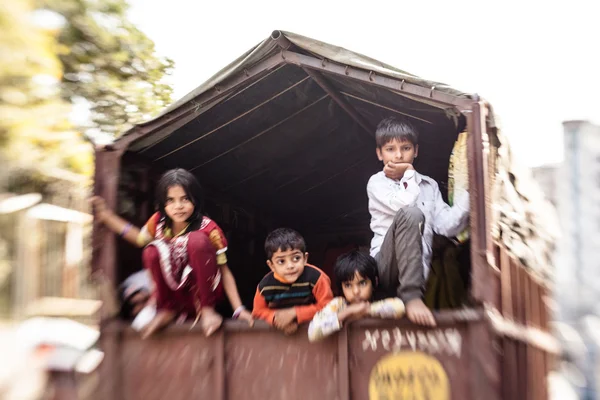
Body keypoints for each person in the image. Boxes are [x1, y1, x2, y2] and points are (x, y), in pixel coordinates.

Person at [90, 168, 253, 338]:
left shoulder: (209, 228)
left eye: (185, 199)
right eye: (171, 201)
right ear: (163, 203)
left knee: (196, 240)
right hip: (176, 296)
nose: (178, 206)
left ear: (195, 200)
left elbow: (224, 271)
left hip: (204, 294)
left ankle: (207, 311)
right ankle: (166, 309)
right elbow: (139, 238)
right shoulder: (158, 223)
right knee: (151, 250)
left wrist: (238, 309)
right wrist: (107, 217)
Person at [367, 117, 469, 326]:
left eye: (405, 148)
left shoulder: (429, 185)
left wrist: (472, 193)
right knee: (412, 214)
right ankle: (411, 297)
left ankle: (412, 293)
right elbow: (404, 206)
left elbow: (447, 226)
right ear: (379, 153)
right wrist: (409, 174)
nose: (398, 155)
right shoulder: (377, 183)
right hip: (384, 267)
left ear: (416, 151)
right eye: (390, 148)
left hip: (418, 272)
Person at [308, 250, 405, 342]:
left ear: (374, 282)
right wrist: (347, 313)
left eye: (362, 283)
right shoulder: (339, 304)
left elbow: (400, 307)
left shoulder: (380, 299)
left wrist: (366, 310)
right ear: (341, 287)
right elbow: (312, 332)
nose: (356, 291)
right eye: (348, 285)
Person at [252, 228, 333, 335]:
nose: (290, 266)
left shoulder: (317, 278)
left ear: (305, 258)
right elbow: (257, 312)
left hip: (315, 334)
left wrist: (295, 313)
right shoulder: (265, 286)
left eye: (296, 258)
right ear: (271, 265)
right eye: (281, 261)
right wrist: (277, 320)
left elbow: (329, 307)